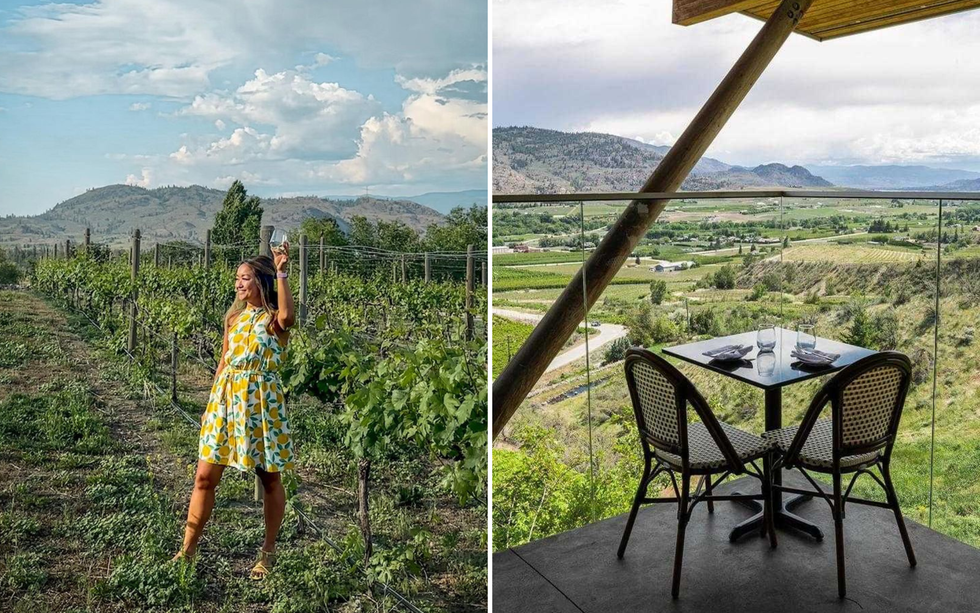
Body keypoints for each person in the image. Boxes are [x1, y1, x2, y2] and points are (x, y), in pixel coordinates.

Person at [173, 245, 296, 580]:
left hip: (261, 404)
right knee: (203, 477)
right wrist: (210, 406)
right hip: (226, 402)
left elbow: (288, 317)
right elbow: (224, 362)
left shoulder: (274, 321)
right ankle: (187, 550)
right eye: (237, 279)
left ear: (260, 282)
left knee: (270, 479)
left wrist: (282, 270)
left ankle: (267, 553)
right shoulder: (234, 318)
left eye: (244, 278)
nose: (238, 285)